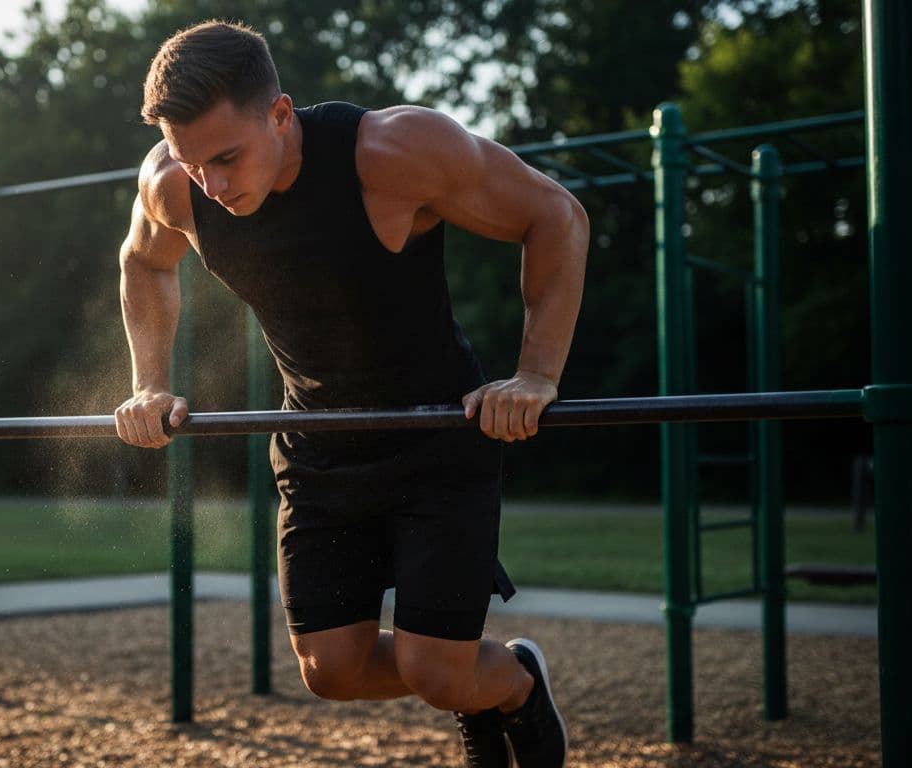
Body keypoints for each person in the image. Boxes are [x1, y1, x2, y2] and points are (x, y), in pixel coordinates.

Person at [114, 20, 587, 768]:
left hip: (438, 433)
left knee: (438, 675)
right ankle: (483, 681)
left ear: (279, 114)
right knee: (330, 673)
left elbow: (554, 215)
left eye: (227, 157)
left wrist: (535, 375)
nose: (212, 182)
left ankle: (510, 685)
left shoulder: (394, 153)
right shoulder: (174, 185)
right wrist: (150, 384)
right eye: (191, 160)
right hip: (318, 445)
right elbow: (144, 263)